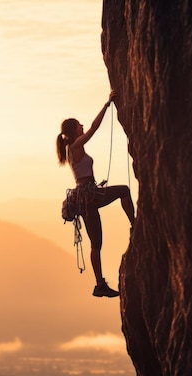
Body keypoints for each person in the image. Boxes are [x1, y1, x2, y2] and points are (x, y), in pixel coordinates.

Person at [56, 91, 135, 298]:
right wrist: (107, 105)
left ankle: (99, 284)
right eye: (78, 125)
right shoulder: (75, 146)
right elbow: (93, 128)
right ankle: (135, 224)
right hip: (89, 195)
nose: (82, 126)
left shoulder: (70, 149)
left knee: (96, 243)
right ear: (74, 131)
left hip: (86, 196)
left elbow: (89, 129)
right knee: (124, 191)